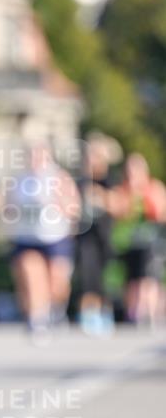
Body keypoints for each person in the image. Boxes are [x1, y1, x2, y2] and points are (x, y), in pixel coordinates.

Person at [5, 142, 81, 338]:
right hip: (27, 237)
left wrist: (57, 204)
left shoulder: (59, 177)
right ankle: (37, 318)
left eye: (40, 155)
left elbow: (74, 207)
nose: (36, 160)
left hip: (55, 236)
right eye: (33, 155)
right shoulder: (19, 180)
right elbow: (8, 208)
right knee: (31, 273)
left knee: (57, 282)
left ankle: (56, 308)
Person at [111, 153, 166, 327]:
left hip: (150, 241)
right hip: (128, 243)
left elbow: (160, 212)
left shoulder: (153, 187)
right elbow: (117, 212)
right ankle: (133, 312)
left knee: (148, 277)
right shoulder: (122, 190)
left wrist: (143, 196)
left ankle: (147, 312)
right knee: (131, 279)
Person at [75, 132, 121, 336]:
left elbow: (119, 205)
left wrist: (102, 197)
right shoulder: (82, 181)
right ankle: (88, 314)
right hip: (85, 236)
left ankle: (105, 311)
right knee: (87, 275)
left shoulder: (110, 180)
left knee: (105, 277)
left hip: (106, 234)